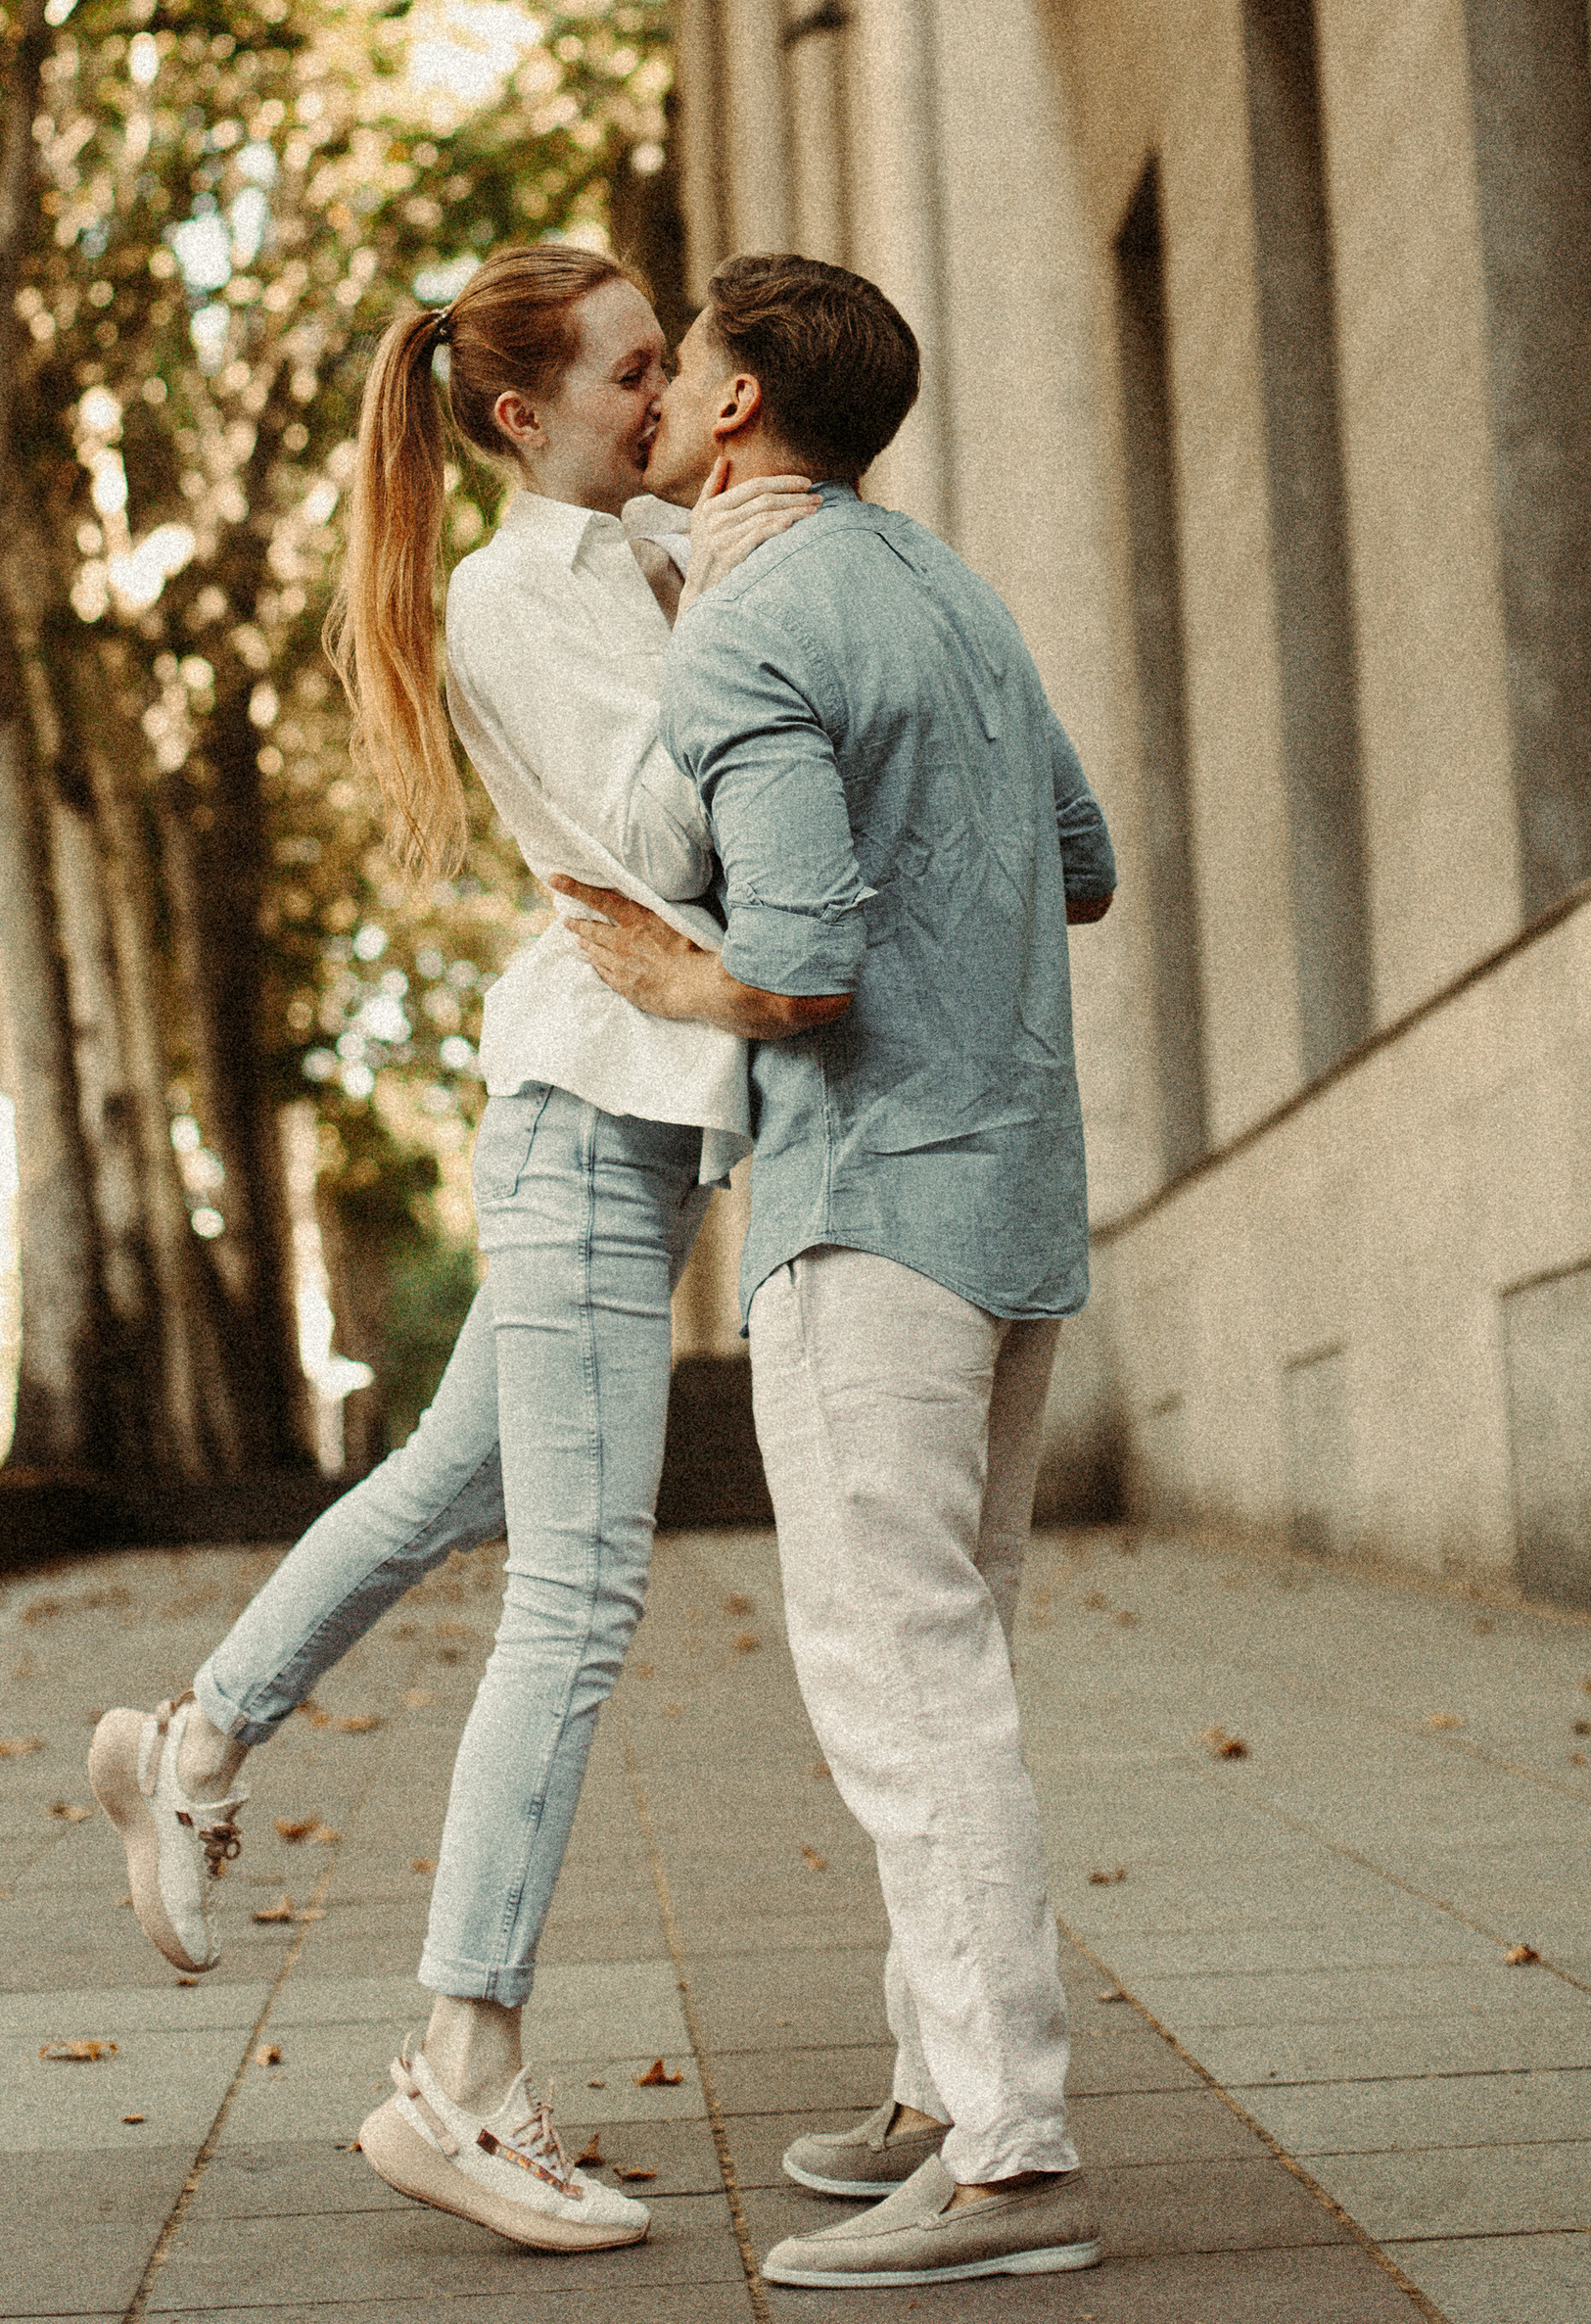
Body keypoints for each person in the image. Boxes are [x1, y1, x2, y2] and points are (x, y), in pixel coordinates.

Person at [86, 242, 819, 2260]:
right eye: (635, 372)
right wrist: (747, 621)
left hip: (632, 1117)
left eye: (670, 362)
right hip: (586, 1113)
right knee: (576, 1596)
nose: (674, 398)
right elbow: (668, 837)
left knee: (448, 1478)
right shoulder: (516, 595)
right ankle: (459, 2077)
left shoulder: (640, 558)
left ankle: (193, 1738)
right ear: (524, 414)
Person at [560, 252, 1119, 2294]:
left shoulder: (752, 618)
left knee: (902, 1680)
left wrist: (661, 971)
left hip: (866, 1207)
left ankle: (1011, 2160)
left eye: (682, 364)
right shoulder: (950, 589)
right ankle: (934, 2091)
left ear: (734, 405)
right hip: (1017, 1201)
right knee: (953, 1649)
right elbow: (1082, 862)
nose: (654, 396)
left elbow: (797, 970)